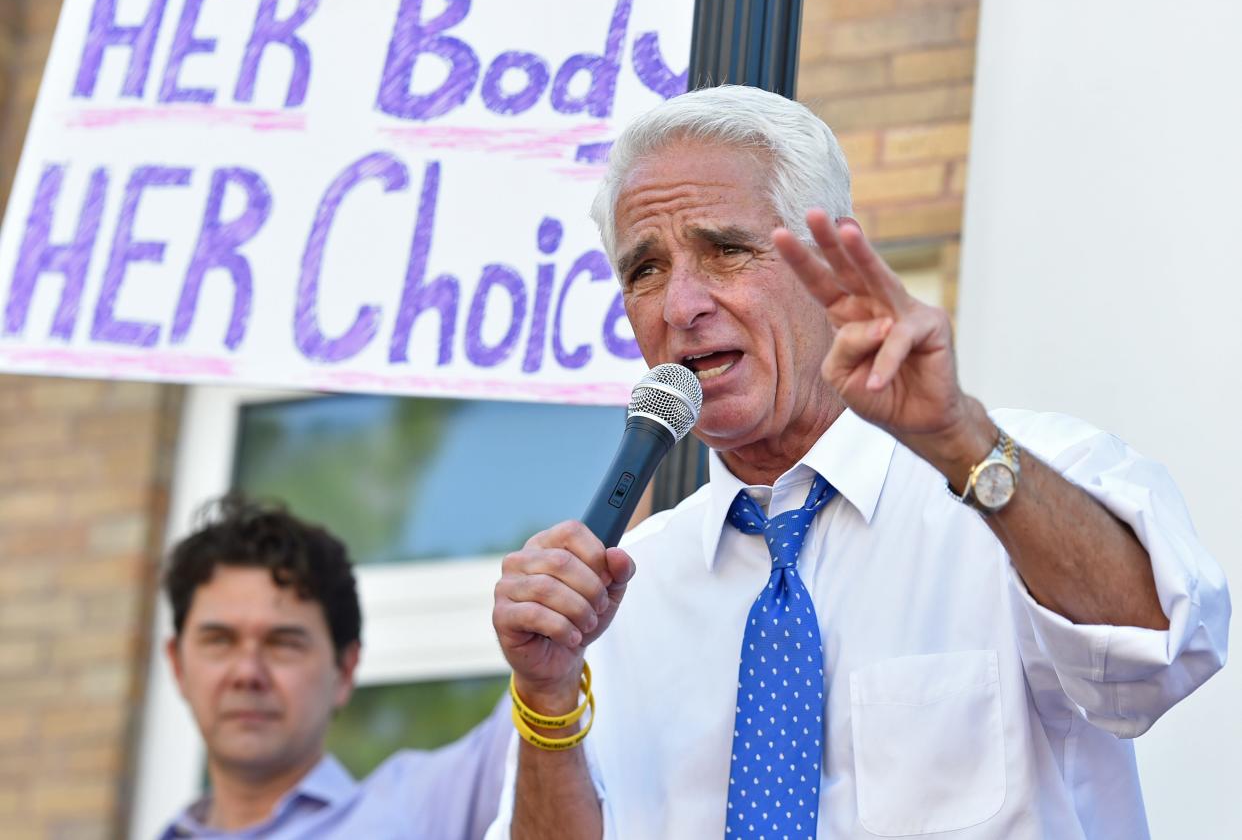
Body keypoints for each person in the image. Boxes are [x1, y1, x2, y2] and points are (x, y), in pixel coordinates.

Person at [488, 85, 1230, 839]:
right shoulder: (613, 601)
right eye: (645, 270)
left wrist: (962, 440)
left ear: (832, 262)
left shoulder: (1015, 479)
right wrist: (547, 698)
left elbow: (1161, 657)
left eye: (727, 251)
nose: (680, 305)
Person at [159, 493, 510, 839]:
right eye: (219, 640)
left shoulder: (420, 816)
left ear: (344, 670)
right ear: (177, 665)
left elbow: (530, 726)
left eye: (283, 643)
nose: (248, 673)